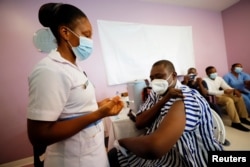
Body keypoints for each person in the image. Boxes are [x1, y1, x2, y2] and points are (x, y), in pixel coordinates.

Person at [27, 3, 124, 167]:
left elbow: (73, 107)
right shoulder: (49, 70)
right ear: (65, 32)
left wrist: (98, 105)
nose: (90, 41)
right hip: (73, 160)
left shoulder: (74, 67)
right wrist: (99, 113)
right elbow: (39, 135)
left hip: (93, 154)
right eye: (86, 35)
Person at [108, 60, 223, 167]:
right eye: (152, 78)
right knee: (114, 155)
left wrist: (122, 141)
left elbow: (155, 147)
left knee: (116, 154)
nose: (155, 81)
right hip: (166, 152)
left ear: (173, 75)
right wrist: (164, 100)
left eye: (159, 76)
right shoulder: (156, 93)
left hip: (188, 157)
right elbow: (139, 122)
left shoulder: (185, 97)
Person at [203, 66, 250, 132]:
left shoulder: (219, 78)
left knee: (238, 97)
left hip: (221, 94)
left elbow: (226, 87)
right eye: (212, 72)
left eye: (215, 71)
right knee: (229, 100)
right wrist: (223, 91)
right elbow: (208, 91)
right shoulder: (204, 80)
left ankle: (243, 117)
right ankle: (235, 122)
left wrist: (234, 90)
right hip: (213, 96)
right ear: (207, 73)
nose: (214, 73)